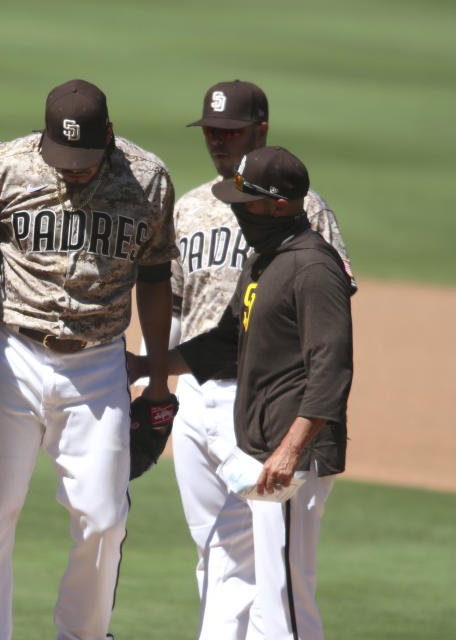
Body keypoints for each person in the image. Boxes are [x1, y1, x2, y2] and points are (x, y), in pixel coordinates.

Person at [0, 79, 178, 640]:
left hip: (98, 364)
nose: (74, 170)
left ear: (109, 137)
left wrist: (157, 380)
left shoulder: (149, 179)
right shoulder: (2, 164)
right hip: (11, 355)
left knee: (104, 521)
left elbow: (158, 278)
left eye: (85, 159)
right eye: (63, 159)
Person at [131, 145, 354, 640]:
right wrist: (147, 366)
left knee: (284, 598)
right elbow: (223, 344)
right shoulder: (265, 259)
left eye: (245, 201)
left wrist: (291, 450)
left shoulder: (314, 268)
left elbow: (332, 369)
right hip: (259, 450)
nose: (235, 209)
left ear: (279, 204)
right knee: (232, 566)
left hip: (289, 455)